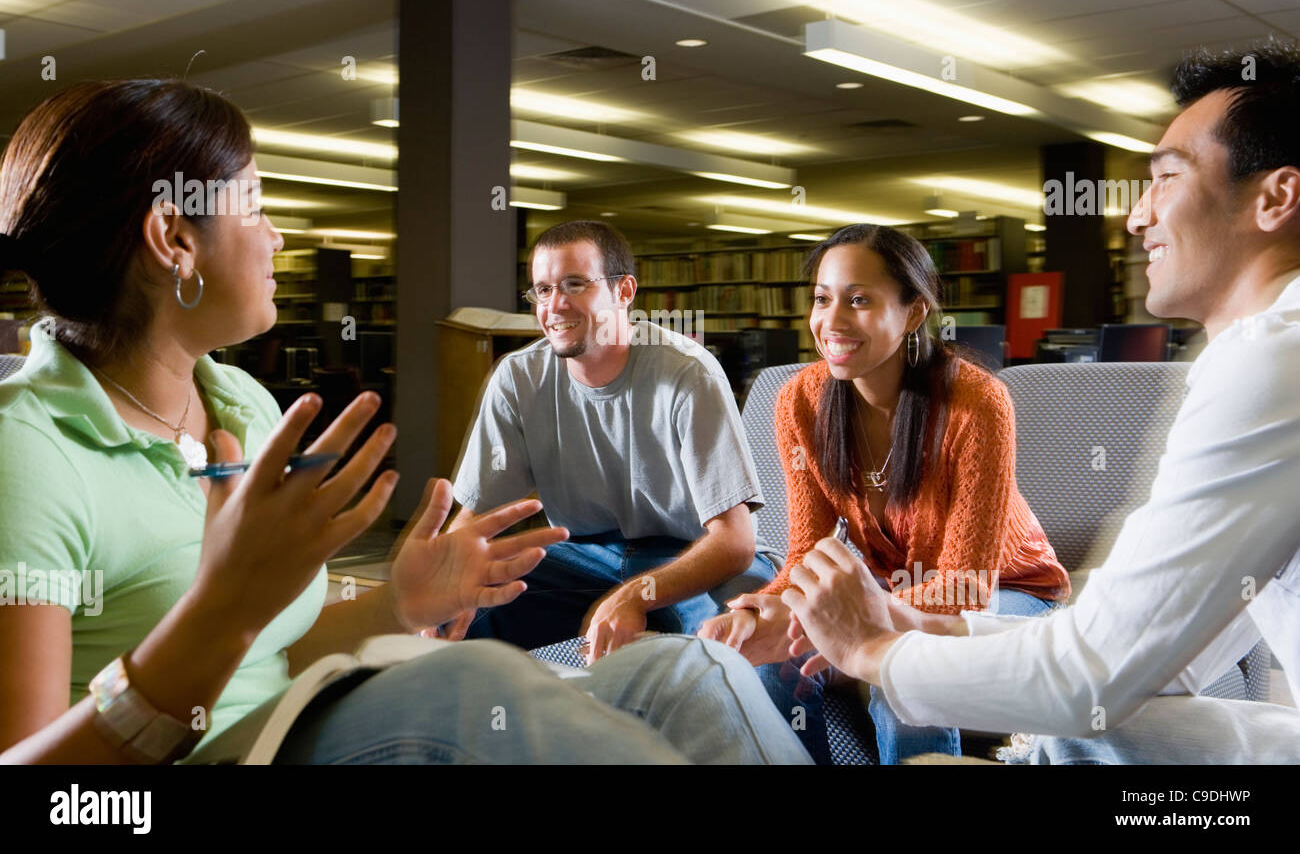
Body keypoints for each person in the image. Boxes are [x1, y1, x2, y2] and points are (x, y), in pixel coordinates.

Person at [0, 79, 811, 765]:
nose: (278, 236)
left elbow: (279, 652)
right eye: (256, 206)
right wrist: (221, 611)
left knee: (686, 676)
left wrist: (399, 601)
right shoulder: (25, 451)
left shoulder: (241, 405)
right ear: (174, 237)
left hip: (298, 713)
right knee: (474, 687)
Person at [778, 42, 1300, 765]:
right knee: (1086, 731)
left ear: (1275, 198)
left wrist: (873, 648)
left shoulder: (1274, 357)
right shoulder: (1265, 353)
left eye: (1166, 180)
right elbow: (1160, 656)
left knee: (1058, 724)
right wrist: (915, 628)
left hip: (1022, 602)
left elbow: (1093, 670)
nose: (1136, 218)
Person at [698, 224, 1070, 764]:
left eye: (860, 300)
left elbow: (964, 587)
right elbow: (808, 552)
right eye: (823, 299)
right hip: (881, 584)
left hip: (1003, 592)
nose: (832, 321)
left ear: (914, 312)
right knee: (759, 663)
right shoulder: (799, 401)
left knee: (905, 674)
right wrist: (763, 611)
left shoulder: (977, 403)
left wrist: (823, 618)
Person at [447, 220, 777, 661]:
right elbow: (476, 518)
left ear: (624, 291)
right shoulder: (517, 378)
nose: (555, 305)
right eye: (542, 290)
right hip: (587, 555)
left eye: (574, 284)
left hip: (696, 556)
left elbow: (735, 543)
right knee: (468, 617)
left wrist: (635, 596)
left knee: (719, 646)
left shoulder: (686, 373)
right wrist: (442, 587)